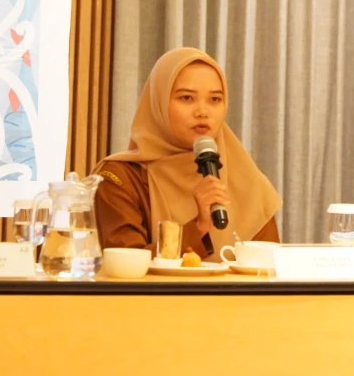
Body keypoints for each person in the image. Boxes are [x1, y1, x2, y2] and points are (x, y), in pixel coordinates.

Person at [94, 47, 282, 262]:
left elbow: (269, 268)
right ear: (158, 103)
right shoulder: (120, 179)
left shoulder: (246, 179)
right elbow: (126, 266)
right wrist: (198, 227)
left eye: (215, 99)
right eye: (186, 98)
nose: (202, 112)